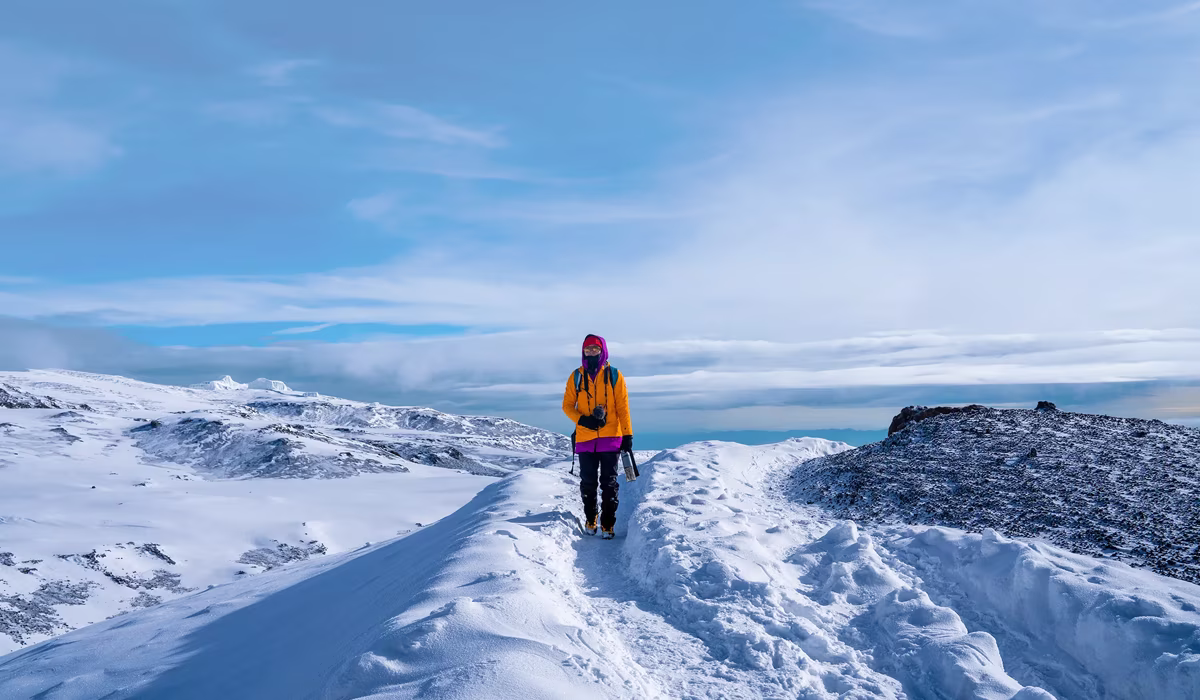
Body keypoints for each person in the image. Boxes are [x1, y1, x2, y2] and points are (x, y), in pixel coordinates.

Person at [562, 334, 633, 539]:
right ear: (583, 352)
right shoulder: (576, 376)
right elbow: (567, 406)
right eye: (588, 349)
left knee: (609, 483)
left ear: (603, 351)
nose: (591, 352)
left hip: (611, 438)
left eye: (595, 348)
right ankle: (591, 519)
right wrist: (583, 420)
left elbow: (623, 407)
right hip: (585, 438)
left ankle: (608, 524)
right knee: (588, 482)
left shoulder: (614, 375)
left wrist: (627, 434)